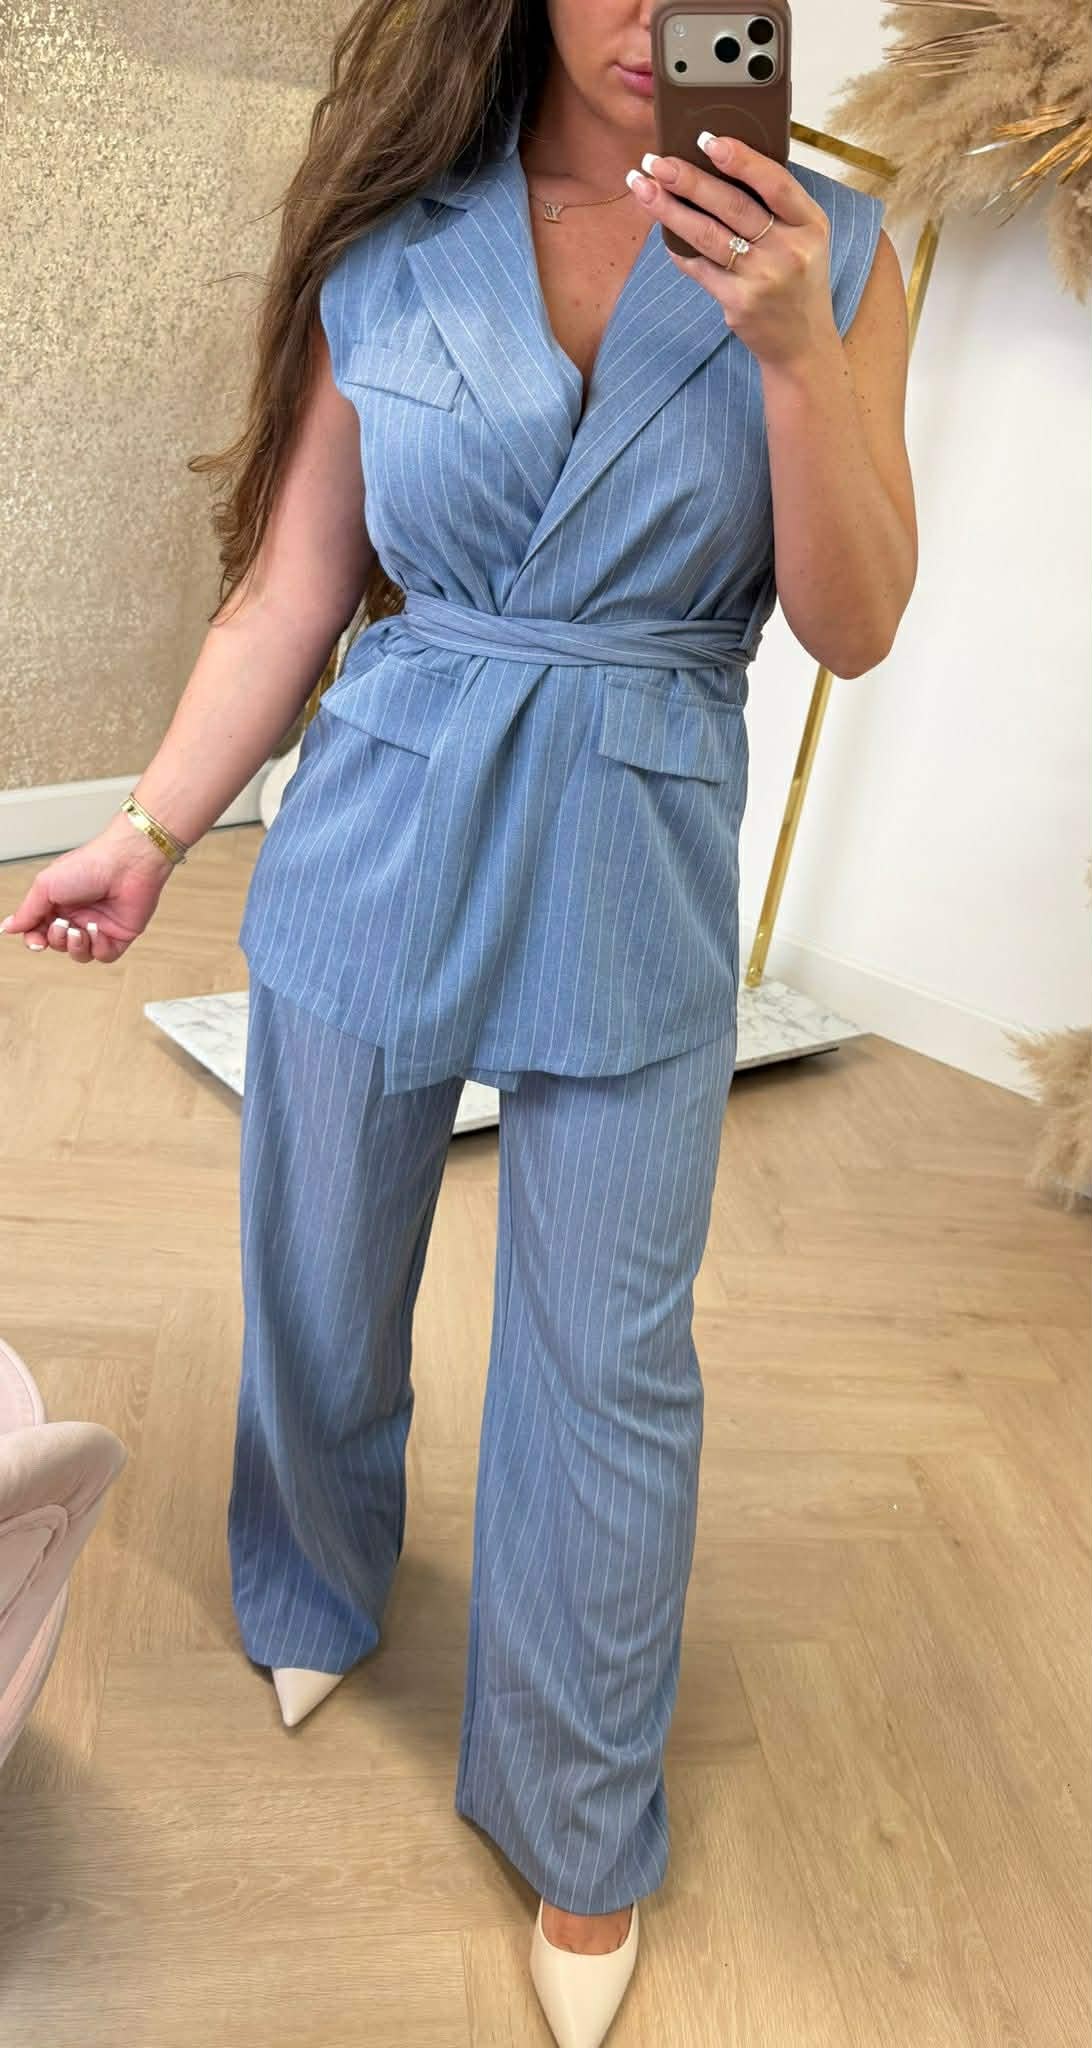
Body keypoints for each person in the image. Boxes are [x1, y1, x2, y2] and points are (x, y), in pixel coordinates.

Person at [1, 1, 916, 2039]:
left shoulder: (840, 249)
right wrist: (148, 829)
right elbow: (294, 591)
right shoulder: (395, 240)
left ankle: (583, 1816)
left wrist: (791, 347)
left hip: (635, 851)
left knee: (612, 1365)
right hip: (381, 822)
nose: (659, 18)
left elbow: (854, 625)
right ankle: (311, 1586)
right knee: (320, 1268)